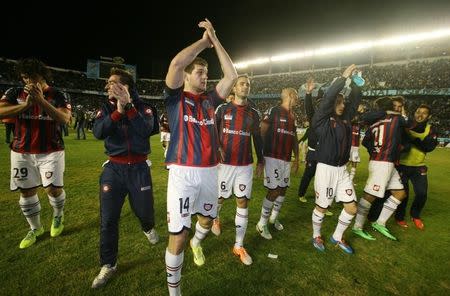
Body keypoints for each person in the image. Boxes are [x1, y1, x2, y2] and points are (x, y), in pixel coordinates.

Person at [163, 19, 237, 296]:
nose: (205, 77)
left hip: (209, 172)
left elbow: (231, 76)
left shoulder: (210, 100)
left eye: (206, 73)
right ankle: (175, 292)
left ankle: (199, 242)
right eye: (200, 73)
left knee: (205, 222)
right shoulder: (174, 98)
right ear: (187, 77)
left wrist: (216, 40)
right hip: (182, 172)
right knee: (178, 235)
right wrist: (203, 42)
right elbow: (176, 64)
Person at [91, 68, 159, 288]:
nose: (107, 86)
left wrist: (128, 107)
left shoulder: (146, 107)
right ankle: (108, 264)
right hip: (114, 169)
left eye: (112, 83)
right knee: (108, 220)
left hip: (139, 168)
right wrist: (117, 112)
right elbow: (99, 132)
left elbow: (145, 130)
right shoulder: (105, 108)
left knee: (145, 212)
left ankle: (147, 227)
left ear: (126, 87)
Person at [0, 58, 71, 248]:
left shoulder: (58, 94)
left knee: (53, 189)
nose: (29, 82)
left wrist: (40, 101)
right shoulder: (14, 92)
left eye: (33, 78)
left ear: (42, 76)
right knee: (26, 191)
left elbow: (64, 119)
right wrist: (25, 106)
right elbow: (1, 111)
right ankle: (35, 228)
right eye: (25, 78)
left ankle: (58, 216)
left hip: (51, 150)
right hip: (21, 151)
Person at [211, 74, 264, 265]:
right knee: (221, 197)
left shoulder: (254, 113)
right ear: (233, 88)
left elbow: (257, 138)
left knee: (242, 201)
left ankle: (238, 245)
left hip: (244, 165)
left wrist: (261, 160)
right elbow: (212, 131)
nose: (245, 87)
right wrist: (216, 147)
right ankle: (215, 217)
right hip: (225, 164)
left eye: (248, 84)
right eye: (241, 84)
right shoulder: (222, 108)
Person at [310, 64, 361, 254]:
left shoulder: (345, 119)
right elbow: (328, 99)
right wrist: (342, 78)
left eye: (343, 103)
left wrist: (355, 83)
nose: (342, 105)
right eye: (338, 103)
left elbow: (354, 102)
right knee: (322, 207)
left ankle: (337, 237)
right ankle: (316, 234)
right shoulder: (322, 120)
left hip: (342, 170)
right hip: (326, 170)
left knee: (352, 208)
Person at [352, 96, 409, 241]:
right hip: (382, 164)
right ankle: (357, 227)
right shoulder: (396, 119)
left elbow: (366, 141)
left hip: (385, 162)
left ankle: (380, 222)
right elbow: (409, 123)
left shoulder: (375, 123)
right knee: (369, 196)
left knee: (400, 193)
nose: (398, 108)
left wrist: (374, 151)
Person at [255, 87, 300, 240]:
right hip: (272, 157)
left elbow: (294, 137)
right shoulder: (274, 110)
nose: (298, 98)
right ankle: (261, 224)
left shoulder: (293, 116)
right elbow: (262, 131)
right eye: (296, 95)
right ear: (289, 95)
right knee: (274, 191)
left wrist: (297, 157)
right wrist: (261, 158)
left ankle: (274, 218)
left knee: (283, 189)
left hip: (286, 159)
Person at [395, 104, 438, 229]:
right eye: (418, 111)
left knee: (422, 193)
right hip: (402, 165)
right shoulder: (406, 125)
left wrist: (410, 137)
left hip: (418, 166)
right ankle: (399, 217)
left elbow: (428, 147)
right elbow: (401, 143)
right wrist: (413, 139)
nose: (420, 114)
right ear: (414, 113)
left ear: (429, 116)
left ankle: (415, 215)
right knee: (403, 194)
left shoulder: (430, 129)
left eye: (424, 113)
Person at [297, 79, 332, 217]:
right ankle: (301, 194)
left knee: (324, 179)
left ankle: (323, 204)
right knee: (308, 175)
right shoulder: (314, 117)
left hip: (325, 154)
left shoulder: (330, 119)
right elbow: (308, 107)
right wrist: (308, 93)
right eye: (319, 105)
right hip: (313, 153)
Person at [348, 103, 367, 182]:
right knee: (346, 161)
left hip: (356, 146)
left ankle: (351, 178)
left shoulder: (360, 123)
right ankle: (343, 175)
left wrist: (362, 112)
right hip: (348, 145)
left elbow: (364, 120)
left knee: (354, 162)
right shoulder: (350, 122)